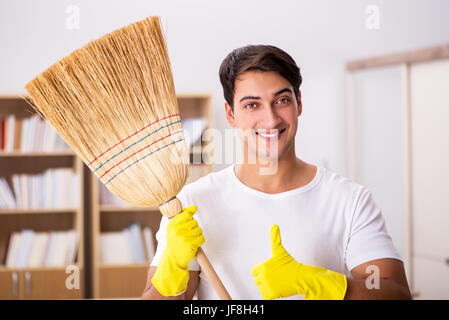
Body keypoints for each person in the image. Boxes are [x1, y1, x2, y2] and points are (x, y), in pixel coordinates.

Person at [141, 45, 412, 300]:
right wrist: (172, 267)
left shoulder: (349, 200)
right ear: (230, 114)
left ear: (299, 103)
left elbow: (394, 292)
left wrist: (321, 282)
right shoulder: (191, 205)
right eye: (251, 105)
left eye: (281, 100)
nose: (271, 119)